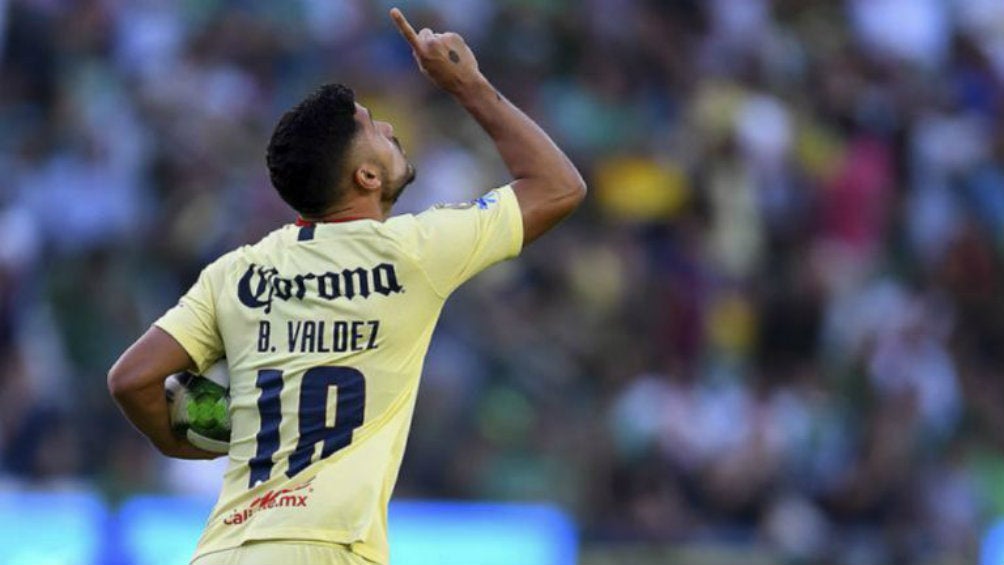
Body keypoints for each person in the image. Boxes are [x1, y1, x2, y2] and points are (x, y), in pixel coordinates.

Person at [107, 7, 586, 565]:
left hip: (222, 550)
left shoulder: (236, 271)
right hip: (332, 551)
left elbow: (132, 379)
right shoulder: (413, 252)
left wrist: (189, 442)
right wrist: (466, 83)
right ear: (366, 177)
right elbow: (558, 186)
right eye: (372, 127)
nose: (389, 128)